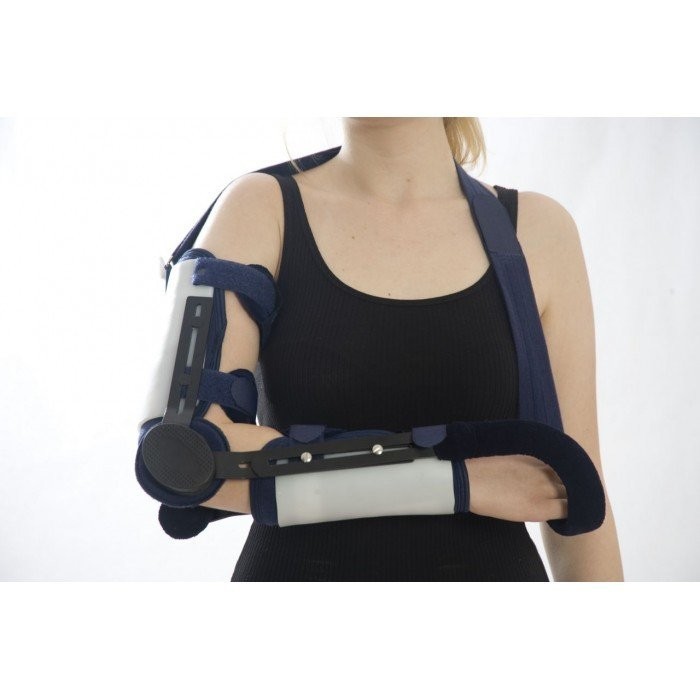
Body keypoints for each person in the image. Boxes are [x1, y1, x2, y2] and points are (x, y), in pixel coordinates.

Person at [189, 117, 624, 581]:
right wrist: (463, 483)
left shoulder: (536, 229)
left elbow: (577, 488)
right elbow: (184, 458)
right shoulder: (258, 207)